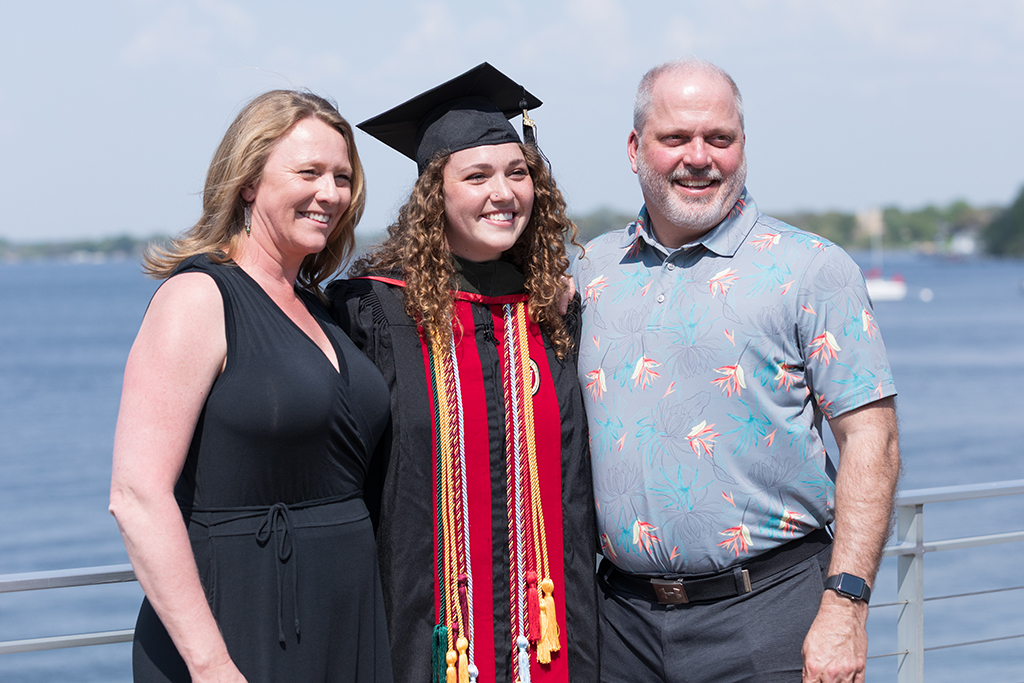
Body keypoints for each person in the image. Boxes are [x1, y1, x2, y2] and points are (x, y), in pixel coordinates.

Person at [571, 58, 900, 683]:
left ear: (742, 147)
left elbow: (872, 441)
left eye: (719, 138)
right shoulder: (591, 271)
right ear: (636, 148)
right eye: (676, 139)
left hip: (771, 617)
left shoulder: (813, 270)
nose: (700, 157)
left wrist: (847, 604)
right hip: (618, 625)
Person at [109, 90, 393, 683]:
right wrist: (211, 665)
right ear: (247, 182)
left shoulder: (322, 310)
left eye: (342, 176)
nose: (330, 193)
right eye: (308, 172)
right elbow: (137, 496)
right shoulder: (199, 298)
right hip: (239, 625)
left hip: (346, 620)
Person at [328, 63, 599, 683]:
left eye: (517, 173)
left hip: (555, 636)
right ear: (435, 194)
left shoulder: (552, 313)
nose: (502, 193)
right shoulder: (372, 313)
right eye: (476, 175)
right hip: (423, 634)